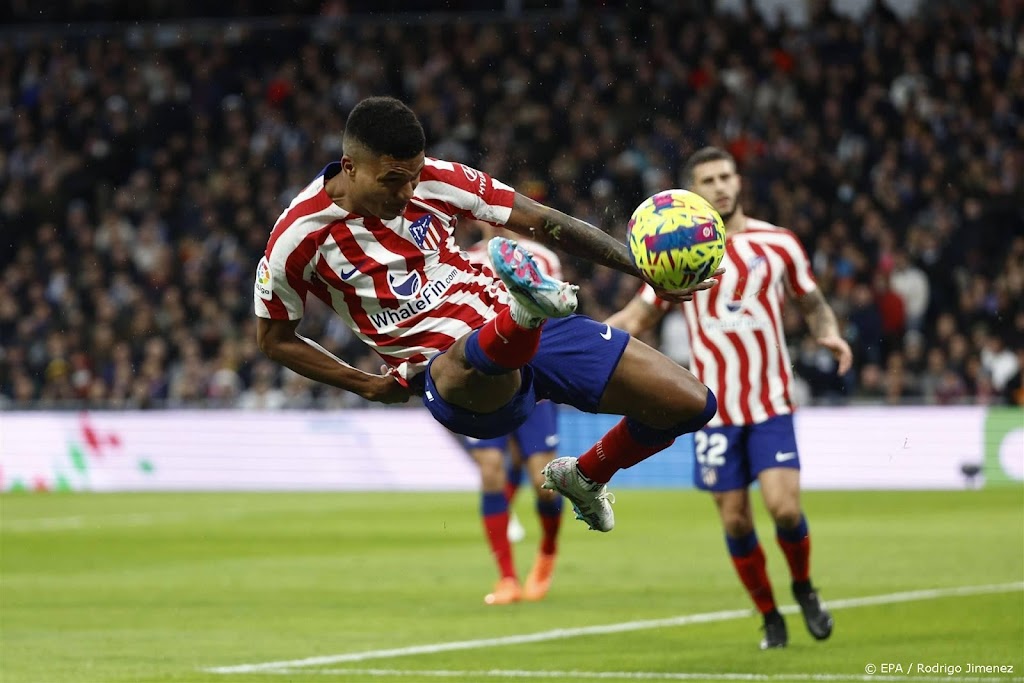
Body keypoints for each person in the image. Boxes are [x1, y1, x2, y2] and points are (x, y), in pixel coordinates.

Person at [253, 96, 721, 542]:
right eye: (393, 180)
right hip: (449, 372)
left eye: (414, 176)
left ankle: (585, 474)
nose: (408, 191)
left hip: (533, 328)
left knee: (691, 404)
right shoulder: (298, 236)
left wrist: (639, 268)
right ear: (350, 166)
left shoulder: (438, 179)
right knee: (473, 361)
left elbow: (541, 220)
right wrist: (365, 385)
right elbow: (275, 338)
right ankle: (525, 312)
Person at [607, 147, 852, 650]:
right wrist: (577, 346)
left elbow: (813, 303)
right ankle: (769, 615)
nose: (719, 186)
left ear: (738, 181)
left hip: (770, 403)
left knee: (784, 510)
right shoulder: (680, 257)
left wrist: (830, 333)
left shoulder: (778, 243)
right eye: (708, 180)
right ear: (694, 193)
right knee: (736, 518)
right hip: (713, 411)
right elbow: (636, 319)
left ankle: (803, 586)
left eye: (725, 176)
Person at [461, 227, 565, 605]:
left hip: (533, 381)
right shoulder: (466, 260)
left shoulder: (543, 258)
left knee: (544, 482)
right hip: (483, 381)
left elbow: (555, 317)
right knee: (491, 470)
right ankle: (506, 577)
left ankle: (547, 553)